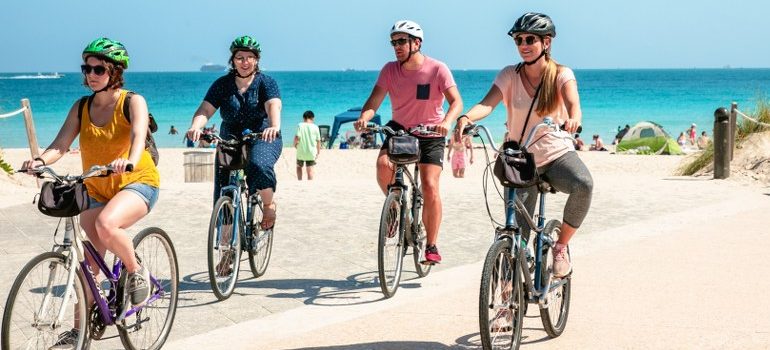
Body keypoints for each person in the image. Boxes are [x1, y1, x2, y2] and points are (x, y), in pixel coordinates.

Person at [21, 37, 159, 347]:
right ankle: (79, 330)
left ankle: (136, 272)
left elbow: (139, 134)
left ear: (115, 71)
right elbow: (60, 145)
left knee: (106, 225)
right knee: (88, 265)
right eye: (86, 68)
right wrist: (40, 161)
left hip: (137, 182)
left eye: (98, 68)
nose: (91, 74)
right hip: (96, 186)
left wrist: (130, 160)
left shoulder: (131, 101)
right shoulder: (82, 106)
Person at [455, 13, 593, 278]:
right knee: (516, 234)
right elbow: (488, 103)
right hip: (519, 161)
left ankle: (561, 246)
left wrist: (574, 120)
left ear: (547, 43)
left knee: (583, 184)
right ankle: (507, 297)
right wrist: (466, 117)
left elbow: (573, 103)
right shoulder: (509, 75)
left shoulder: (561, 74)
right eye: (518, 39)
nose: (523, 45)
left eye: (530, 39)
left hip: (555, 155)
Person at [354, 20, 463, 264]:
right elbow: (374, 102)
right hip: (400, 128)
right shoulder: (390, 70)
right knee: (383, 166)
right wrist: (364, 117)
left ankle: (431, 245)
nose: (397, 47)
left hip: (431, 130)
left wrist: (446, 121)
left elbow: (457, 102)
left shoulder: (437, 69)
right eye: (394, 42)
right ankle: (394, 209)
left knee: (430, 185)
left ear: (417, 43)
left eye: (402, 41)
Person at [186, 35, 281, 231]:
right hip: (230, 137)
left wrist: (274, 126)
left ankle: (268, 204)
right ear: (233, 60)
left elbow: (273, 104)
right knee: (223, 190)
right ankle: (226, 246)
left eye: (249, 57)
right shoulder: (222, 84)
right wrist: (196, 126)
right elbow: (205, 109)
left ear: (256, 60)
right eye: (239, 57)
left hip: (262, 135)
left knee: (259, 164)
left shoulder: (266, 82)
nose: (244, 62)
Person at [294, 110, 321, 180]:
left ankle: (300, 180)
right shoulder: (316, 127)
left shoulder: (300, 125)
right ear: (312, 118)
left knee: (299, 166)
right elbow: (318, 141)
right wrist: (318, 151)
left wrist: (294, 144)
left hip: (301, 151)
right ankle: (310, 184)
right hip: (311, 152)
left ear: (304, 118)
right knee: (310, 169)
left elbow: (297, 137)